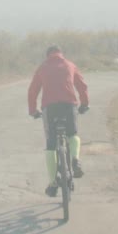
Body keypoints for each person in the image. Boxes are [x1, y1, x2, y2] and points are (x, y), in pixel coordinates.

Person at [28, 45, 89, 197]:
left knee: (50, 144)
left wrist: (33, 111)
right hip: (69, 106)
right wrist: (84, 104)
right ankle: (75, 159)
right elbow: (82, 86)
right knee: (72, 133)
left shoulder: (42, 68)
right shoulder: (70, 65)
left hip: (50, 108)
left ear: (47, 55)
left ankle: (53, 182)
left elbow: (32, 91)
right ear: (61, 54)